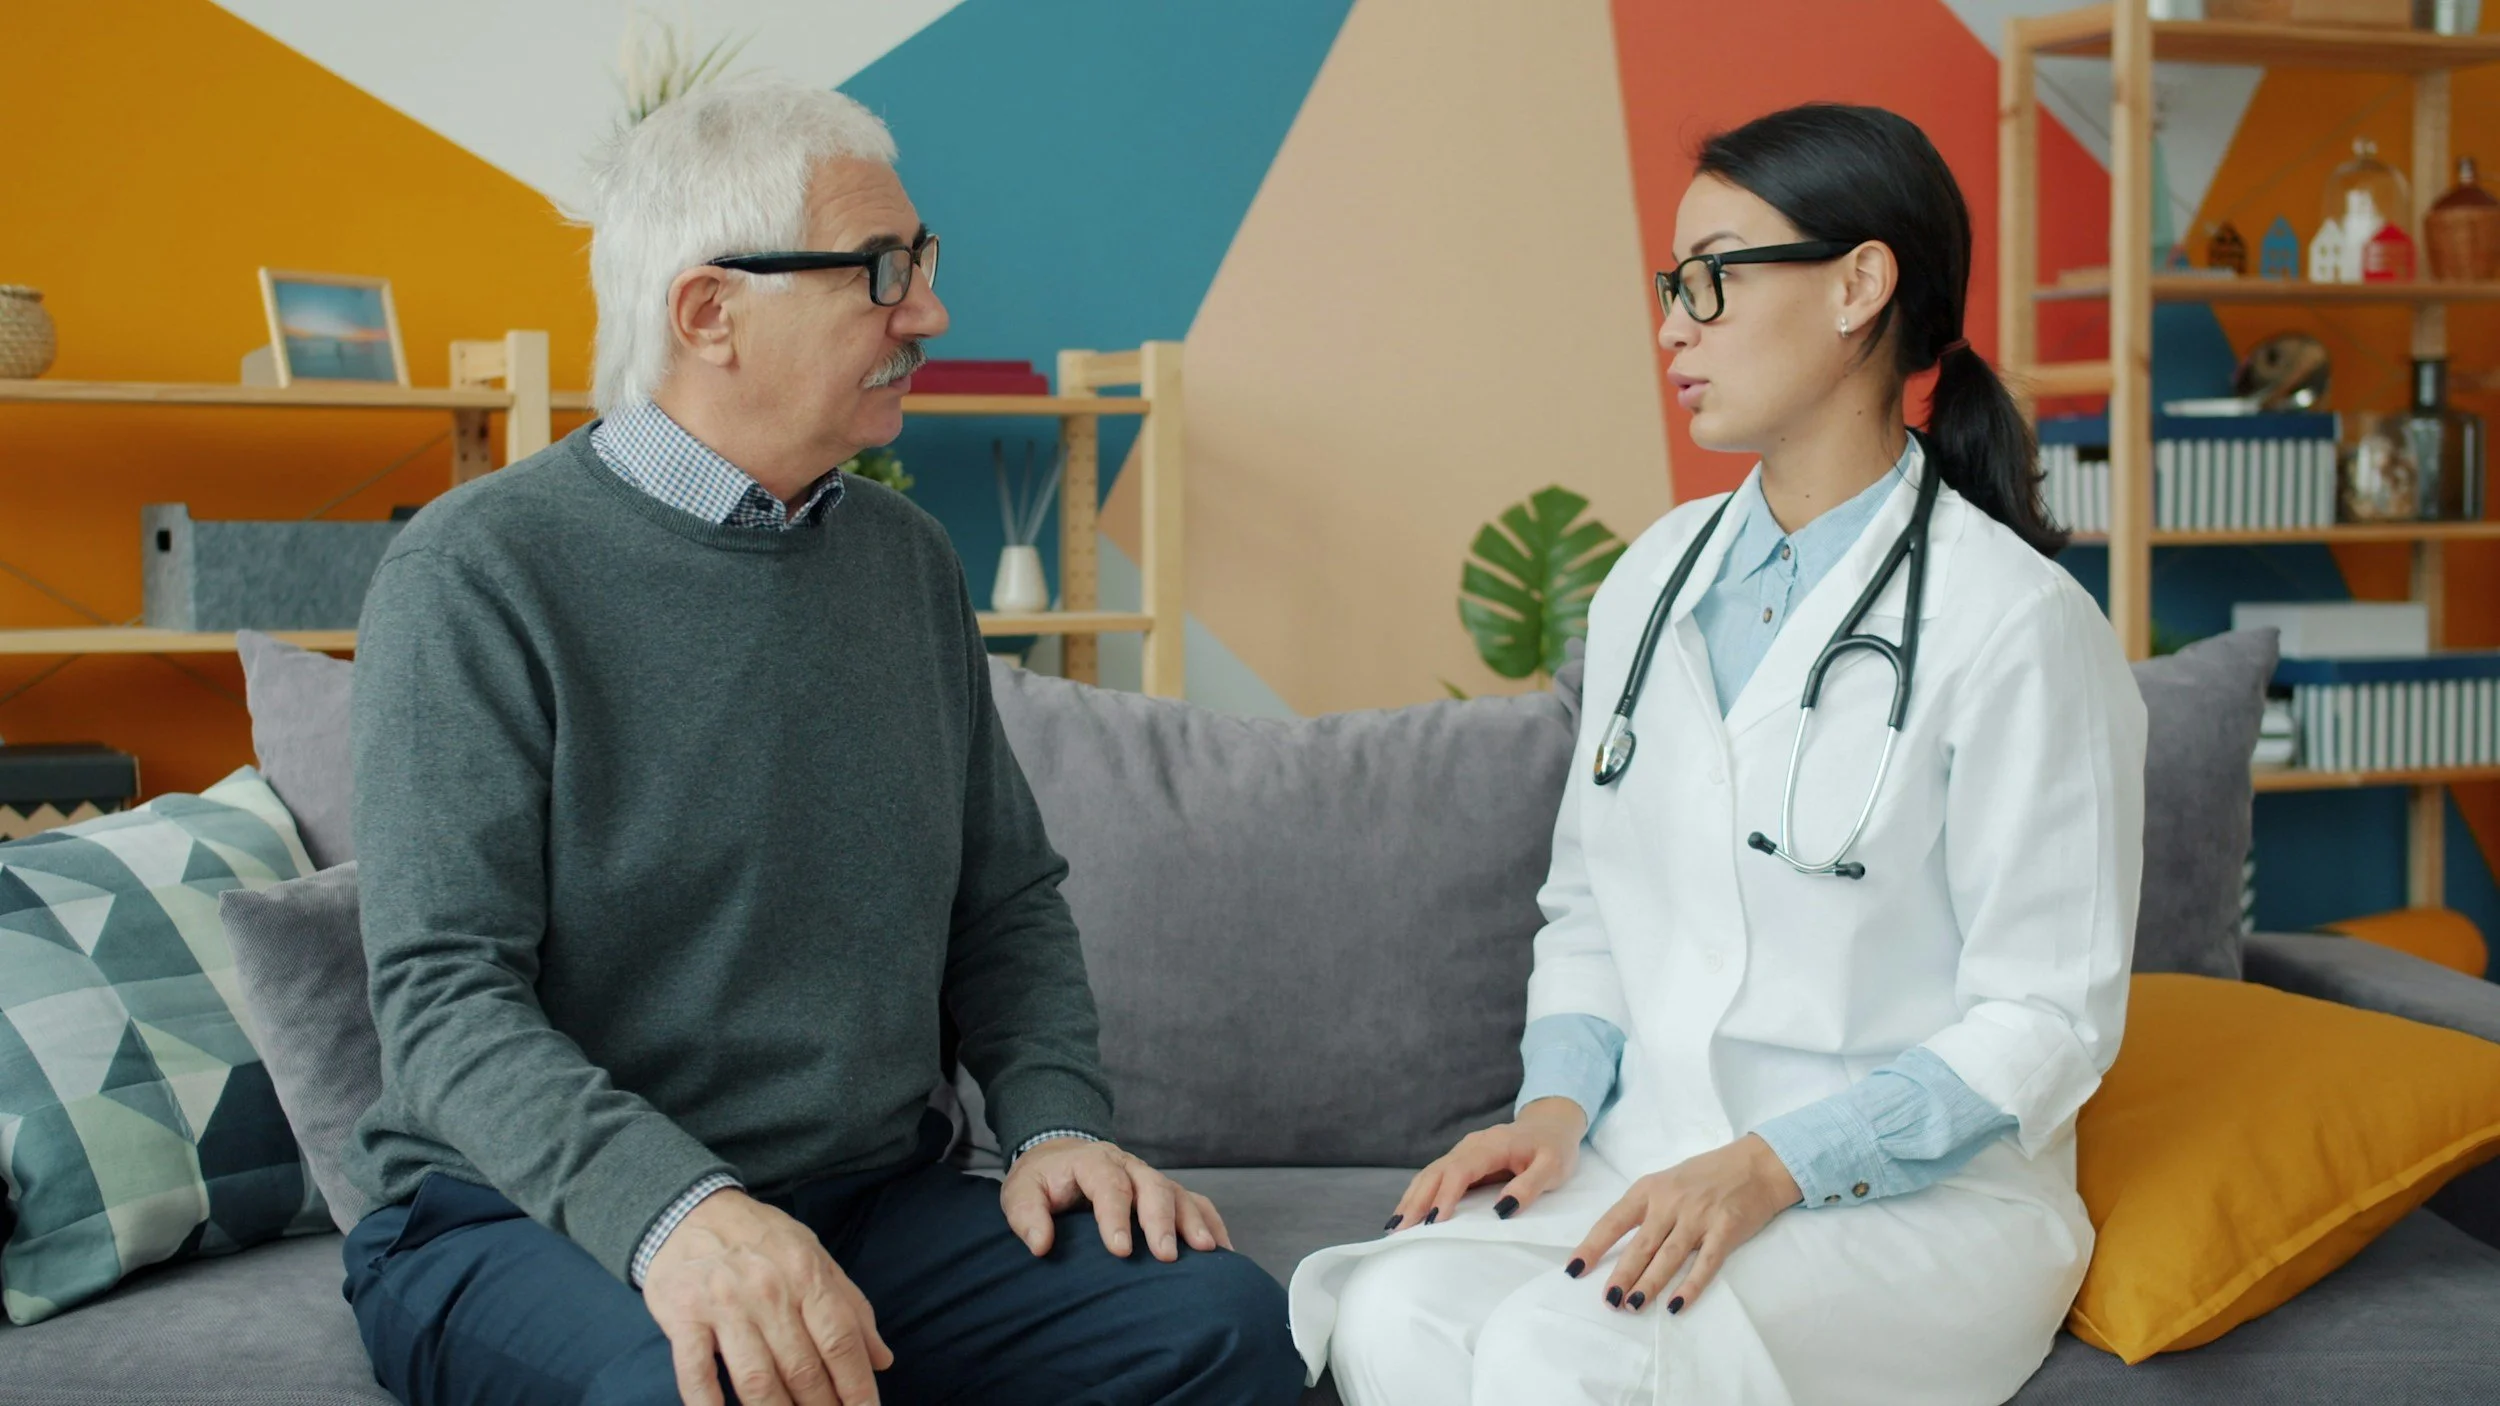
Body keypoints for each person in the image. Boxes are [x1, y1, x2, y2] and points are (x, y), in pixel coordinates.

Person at [339, 77, 1300, 1406]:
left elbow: (1004, 902)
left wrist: (1057, 1122)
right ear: (708, 312)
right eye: (879, 273)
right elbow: (445, 1002)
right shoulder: (475, 575)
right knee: (717, 1389)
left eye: (922, 263)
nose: (929, 312)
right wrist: (682, 1215)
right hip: (521, 1218)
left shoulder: (905, 562)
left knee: (1222, 1322)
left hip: (867, 1203)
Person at [1288, 103, 2148, 1405]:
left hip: (1913, 1212)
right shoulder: (1654, 579)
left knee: (1558, 1347)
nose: (1673, 323)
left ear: (1861, 283)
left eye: (1713, 279)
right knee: (1398, 1309)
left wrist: (1775, 1163)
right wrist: (1553, 1111)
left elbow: (2046, 1016)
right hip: (1660, 1157)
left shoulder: (2018, 625)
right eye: (1669, 284)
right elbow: (1587, 906)